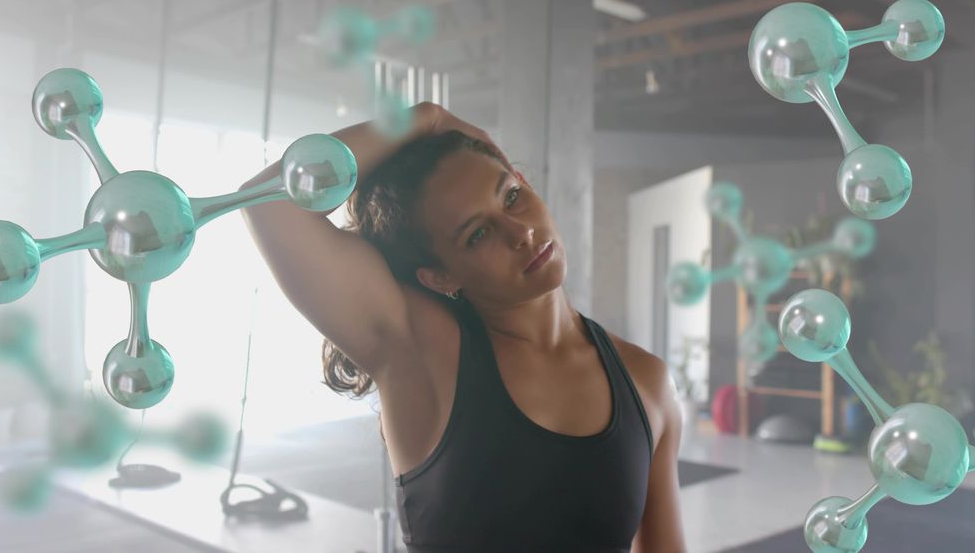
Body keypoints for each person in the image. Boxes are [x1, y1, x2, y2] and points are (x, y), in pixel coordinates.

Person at [239, 102, 686, 553]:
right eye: (477, 234)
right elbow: (270, 204)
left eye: (511, 196)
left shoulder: (647, 383)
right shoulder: (422, 351)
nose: (519, 233)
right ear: (440, 276)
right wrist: (426, 118)